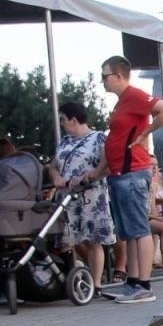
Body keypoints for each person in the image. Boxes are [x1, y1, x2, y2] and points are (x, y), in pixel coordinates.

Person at [97, 55, 163, 304]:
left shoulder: (134, 95)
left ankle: (144, 284)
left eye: (104, 76)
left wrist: (146, 132)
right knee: (129, 231)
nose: (102, 81)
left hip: (132, 173)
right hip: (120, 174)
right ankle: (133, 282)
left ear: (118, 76)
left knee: (139, 229)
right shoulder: (123, 102)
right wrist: (99, 171)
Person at [50, 101, 116, 288]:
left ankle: (95, 283)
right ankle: (74, 280)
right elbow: (53, 166)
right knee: (68, 240)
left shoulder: (98, 138)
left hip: (91, 195)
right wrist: (56, 176)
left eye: (63, 119)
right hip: (67, 195)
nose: (62, 123)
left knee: (93, 239)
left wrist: (92, 175)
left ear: (73, 119)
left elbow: (108, 166)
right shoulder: (64, 141)